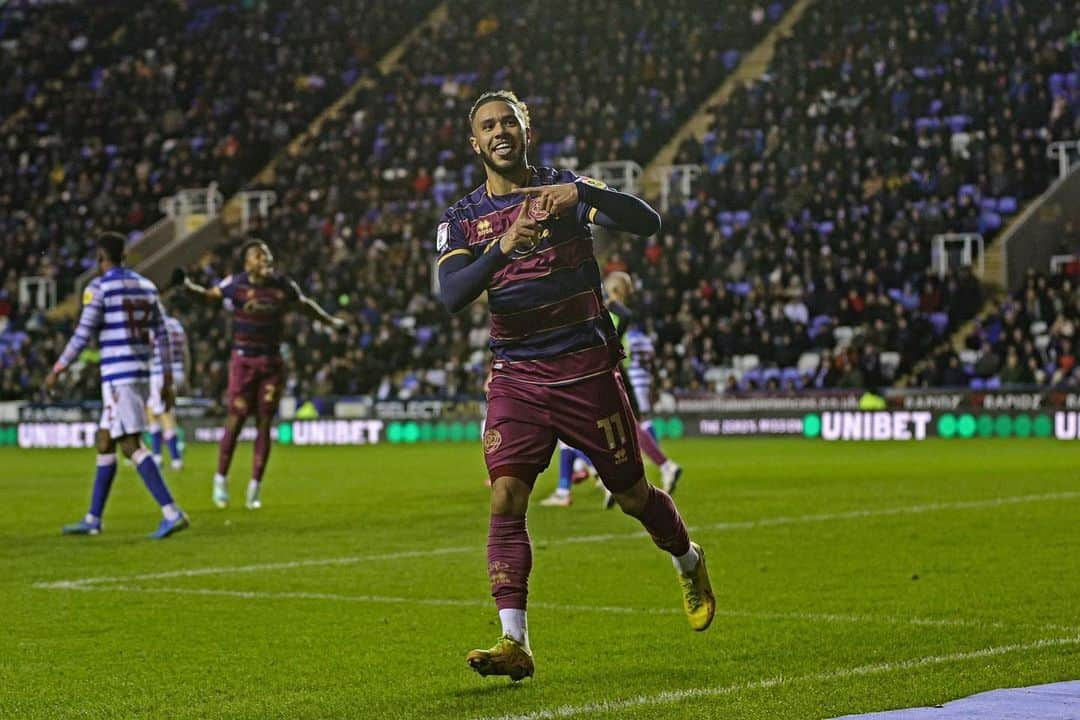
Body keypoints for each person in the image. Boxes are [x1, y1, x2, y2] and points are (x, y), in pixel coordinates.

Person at [437, 90, 715, 682]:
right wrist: (502, 247)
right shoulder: (461, 218)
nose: (499, 132)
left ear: (525, 129)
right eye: (487, 126)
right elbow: (451, 294)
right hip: (516, 375)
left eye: (507, 121)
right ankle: (515, 641)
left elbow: (648, 222)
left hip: (586, 370)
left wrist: (586, 193)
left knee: (635, 496)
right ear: (474, 143)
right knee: (506, 496)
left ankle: (688, 560)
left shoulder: (563, 191)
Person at [176, 239, 345, 510]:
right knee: (237, 417)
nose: (265, 259)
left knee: (265, 421)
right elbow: (209, 297)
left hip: (271, 363)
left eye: (267, 254)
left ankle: (255, 487)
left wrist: (332, 322)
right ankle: (221, 479)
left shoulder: (283, 286)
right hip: (244, 361)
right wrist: (186, 287)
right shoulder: (236, 285)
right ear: (247, 263)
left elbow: (305, 306)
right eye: (258, 256)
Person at [45, 232, 189, 539]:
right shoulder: (147, 286)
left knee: (130, 444)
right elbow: (162, 335)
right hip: (140, 372)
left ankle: (171, 511)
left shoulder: (99, 288)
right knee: (105, 441)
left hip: (117, 376)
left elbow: (83, 335)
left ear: (101, 258)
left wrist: (58, 368)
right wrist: (165, 379)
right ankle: (93, 518)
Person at [147, 312, 189, 470]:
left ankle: (176, 459)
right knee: (151, 411)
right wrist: (186, 375)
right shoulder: (176, 325)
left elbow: (147, 350)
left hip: (161, 373)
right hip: (178, 371)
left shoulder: (153, 327)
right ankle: (157, 456)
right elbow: (186, 351)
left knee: (165, 413)